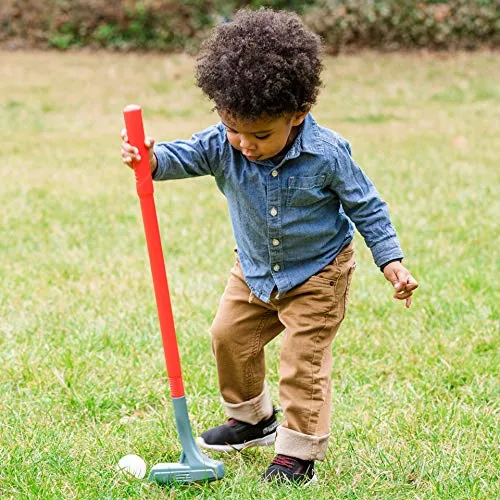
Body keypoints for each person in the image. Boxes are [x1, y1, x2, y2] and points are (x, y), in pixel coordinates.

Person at [120, 8, 418, 486]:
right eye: (234, 129)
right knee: (228, 337)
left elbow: (367, 206)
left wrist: (392, 262)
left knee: (302, 361)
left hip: (319, 274)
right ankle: (253, 420)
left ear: (298, 114)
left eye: (261, 134)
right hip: (255, 272)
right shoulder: (225, 142)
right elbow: (182, 156)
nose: (245, 145)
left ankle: (297, 453)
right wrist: (150, 157)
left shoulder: (327, 153)